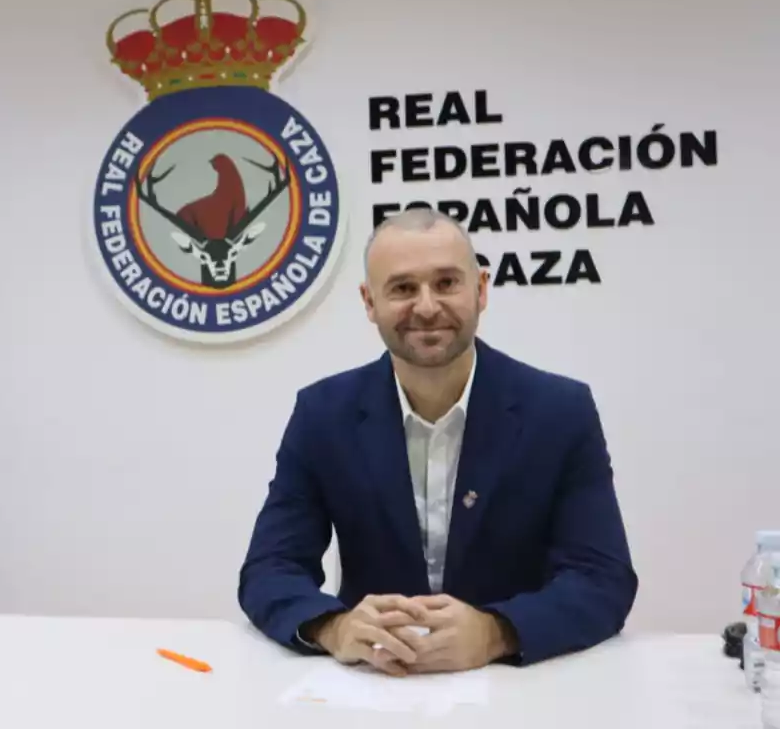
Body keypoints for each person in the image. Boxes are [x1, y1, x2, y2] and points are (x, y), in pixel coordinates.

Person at [237, 207, 637, 676]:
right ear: (369, 302)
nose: (426, 307)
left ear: (481, 289)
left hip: (520, 687)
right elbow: (270, 568)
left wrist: (496, 632)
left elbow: (602, 578)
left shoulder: (560, 411)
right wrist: (335, 628)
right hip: (374, 687)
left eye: (447, 283)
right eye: (403, 288)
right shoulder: (323, 414)